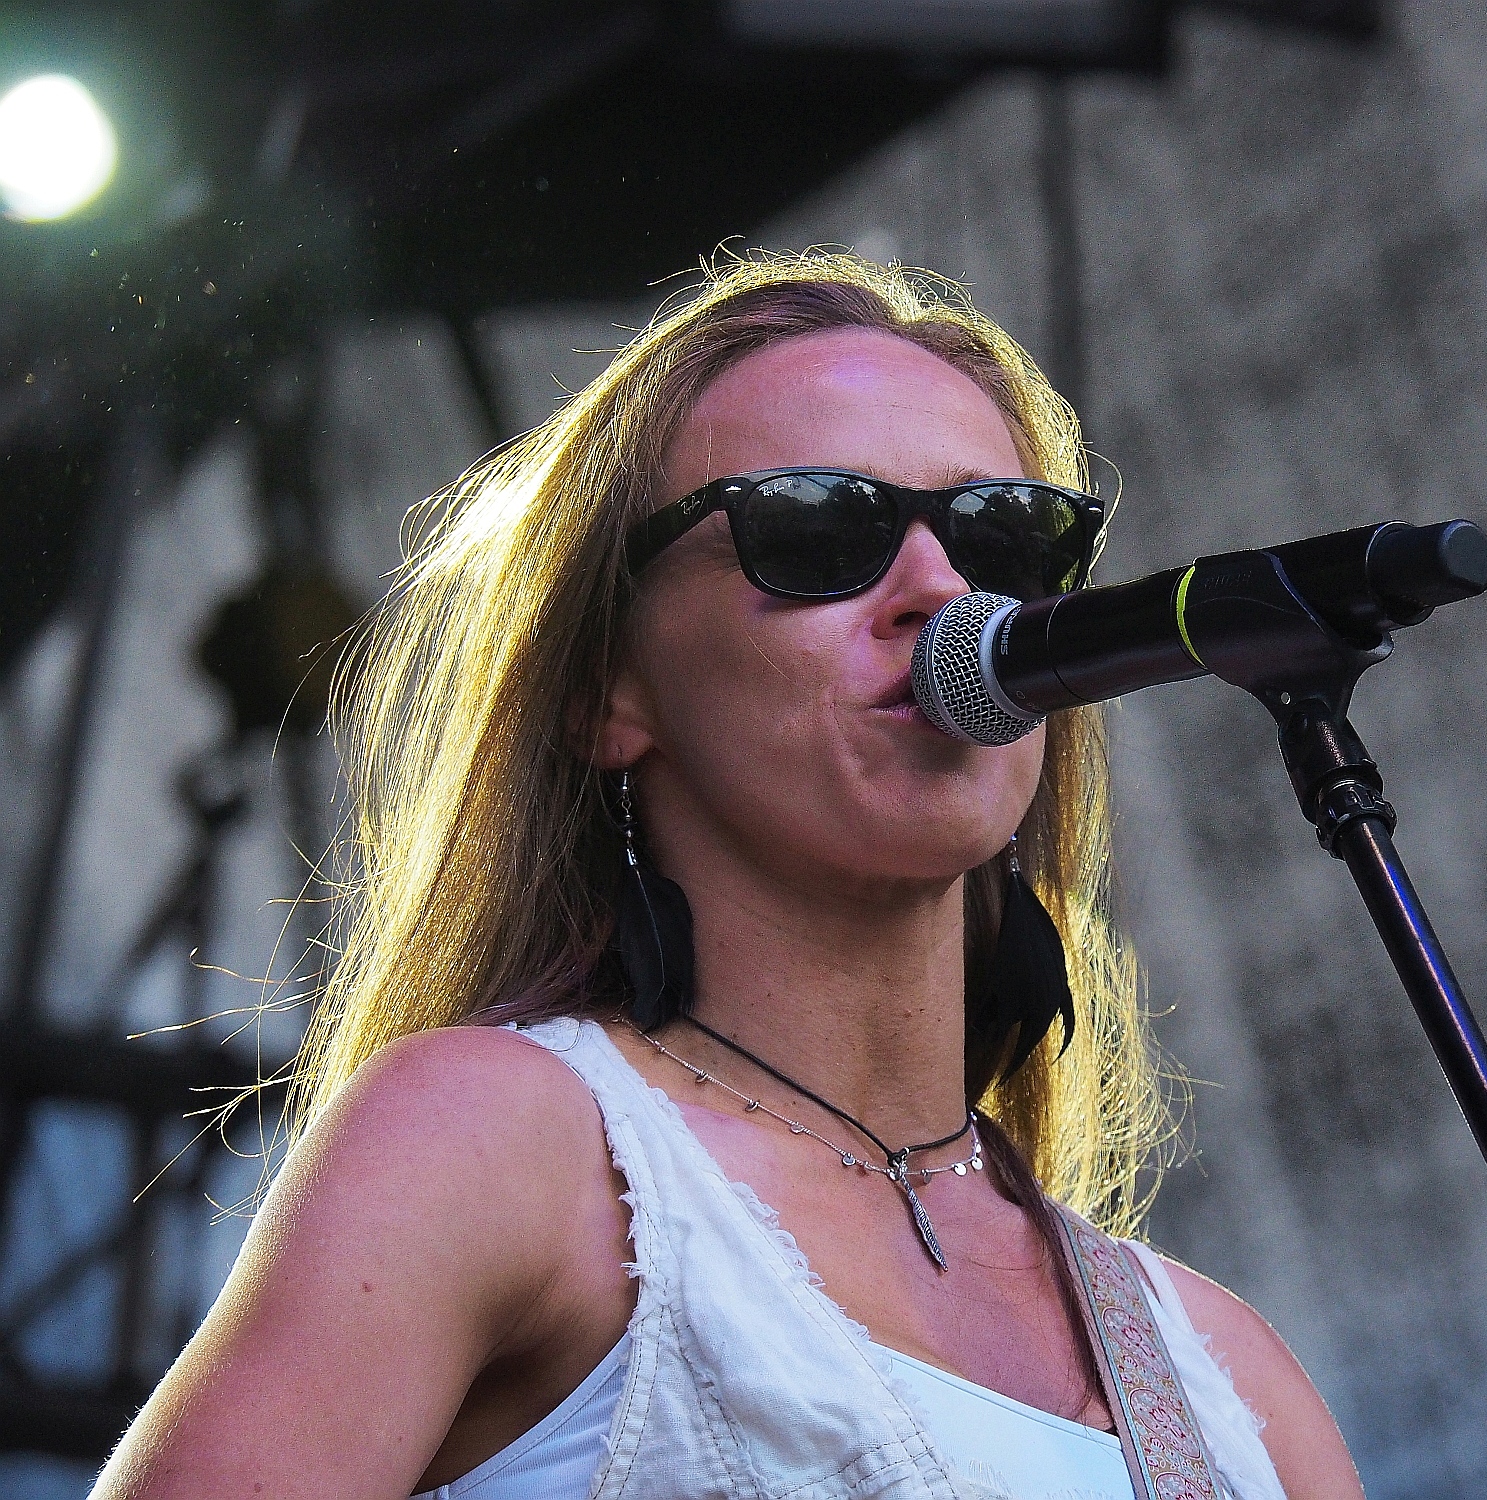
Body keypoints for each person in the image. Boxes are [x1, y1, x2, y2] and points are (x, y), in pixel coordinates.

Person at [92, 253, 1365, 1499]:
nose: (939, 589)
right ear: (609, 690)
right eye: (815, 529)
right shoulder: (502, 1144)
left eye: (1003, 539)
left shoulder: (1229, 1383)